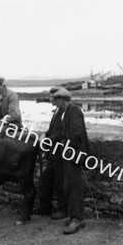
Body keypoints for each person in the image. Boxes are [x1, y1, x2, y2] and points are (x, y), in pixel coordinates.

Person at [53, 87, 90, 235]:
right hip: (71, 153)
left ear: (63, 100)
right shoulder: (67, 112)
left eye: (57, 101)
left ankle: (76, 219)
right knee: (70, 185)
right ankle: (78, 218)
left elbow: (75, 135)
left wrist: (67, 149)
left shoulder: (74, 112)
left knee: (72, 185)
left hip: (75, 154)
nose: (56, 104)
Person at [37, 87, 67, 218]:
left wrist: (48, 140)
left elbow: (62, 133)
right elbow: (52, 130)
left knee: (61, 183)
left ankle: (63, 210)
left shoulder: (65, 112)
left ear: (58, 98)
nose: (50, 99)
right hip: (52, 154)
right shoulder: (57, 112)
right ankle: (44, 209)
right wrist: (44, 134)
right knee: (45, 180)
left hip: (60, 154)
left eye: (51, 97)